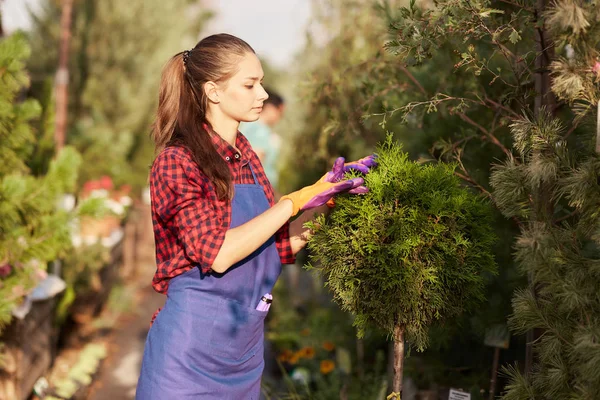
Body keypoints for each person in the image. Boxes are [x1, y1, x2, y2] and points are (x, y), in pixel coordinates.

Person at [135, 33, 377, 400]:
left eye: (261, 83)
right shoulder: (178, 162)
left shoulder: (246, 156)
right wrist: (291, 203)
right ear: (214, 91)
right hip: (188, 359)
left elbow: (278, 247)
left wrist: (327, 201)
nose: (263, 95)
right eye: (250, 84)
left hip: (243, 354)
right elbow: (217, 254)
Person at [239, 88, 285, 192]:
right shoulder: (260, 130)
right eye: (280, 111)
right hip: (259, 189)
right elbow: (256, 163)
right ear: (270, 108)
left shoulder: (251, 126)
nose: (280, 117)